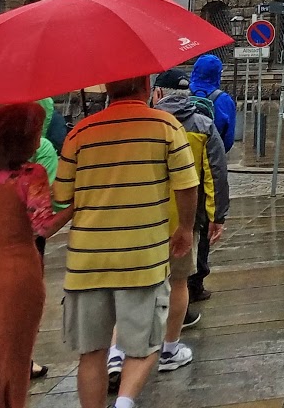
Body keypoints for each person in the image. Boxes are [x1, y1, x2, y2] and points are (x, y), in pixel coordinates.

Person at [52, 76, 198, 408]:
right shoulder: (165, 126)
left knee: (91, 352)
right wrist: (185, 228)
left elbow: (62, 197)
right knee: (145, 345)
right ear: (147, 88)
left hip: (86, 262)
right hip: (141, 258)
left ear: (107, 90)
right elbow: (186, 185)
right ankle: (124, 402)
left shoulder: (79, 133)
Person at [122, 70, 227, 377]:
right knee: (179, 283)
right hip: (184, 220)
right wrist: (216, 216)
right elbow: (214, 174)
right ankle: (169, 349)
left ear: (158, 94)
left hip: (144, 218)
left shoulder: (144, 124)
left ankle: (122, 352)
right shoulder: (202, 125)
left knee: (136, 285)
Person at [0, 103, 63, 408]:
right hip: (16, 274)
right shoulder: (30, 176)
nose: (39, 139)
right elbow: (43, 226)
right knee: (11, 358)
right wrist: (78, 205)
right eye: (35, 132)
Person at [186, 55, 234, 303]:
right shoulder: (223, 100)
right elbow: (227, 140)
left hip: (180, 169)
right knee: (204, 224)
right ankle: (196, 281)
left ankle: (179, 276)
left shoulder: (182, 95)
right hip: (207, 172)